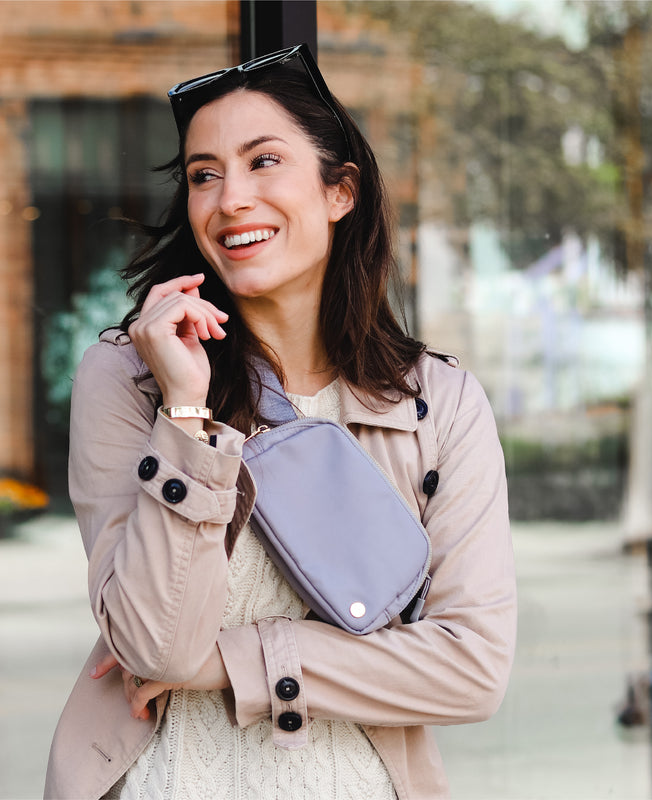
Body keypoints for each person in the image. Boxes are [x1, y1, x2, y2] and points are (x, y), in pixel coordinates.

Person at [45, 43, 516, 800]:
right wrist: (187, 411)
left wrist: (234, 664)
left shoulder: (438, 403)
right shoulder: (129, 378)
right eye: (205, 174)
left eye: (264, 161)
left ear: (340, 192)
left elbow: (472, 670)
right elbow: (154, 644)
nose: (230, 199)